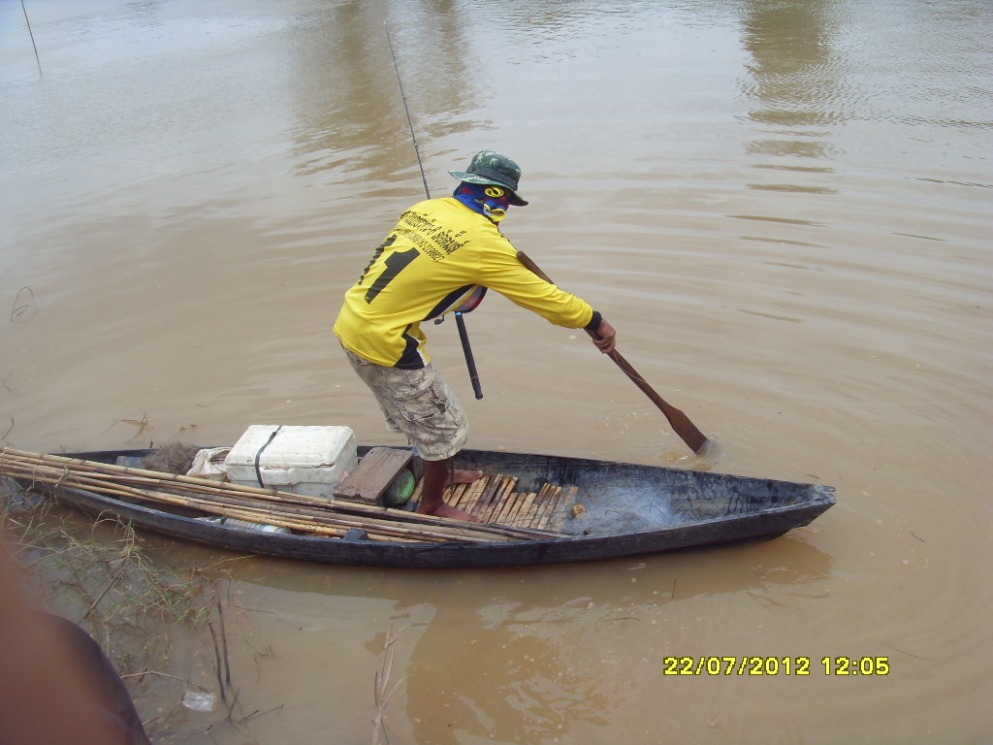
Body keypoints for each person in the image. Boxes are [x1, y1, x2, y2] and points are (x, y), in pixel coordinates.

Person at [334, 150, 616, 521]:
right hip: (386, 342)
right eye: (507, 202)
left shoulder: (426, 209)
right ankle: (432, 504)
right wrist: (595, 321)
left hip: (352, 322)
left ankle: (442, 473)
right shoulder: (485, 244)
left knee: (419, 416)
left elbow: (428, 264)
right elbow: (547, 301)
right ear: (498, 197)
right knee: (446, 427)